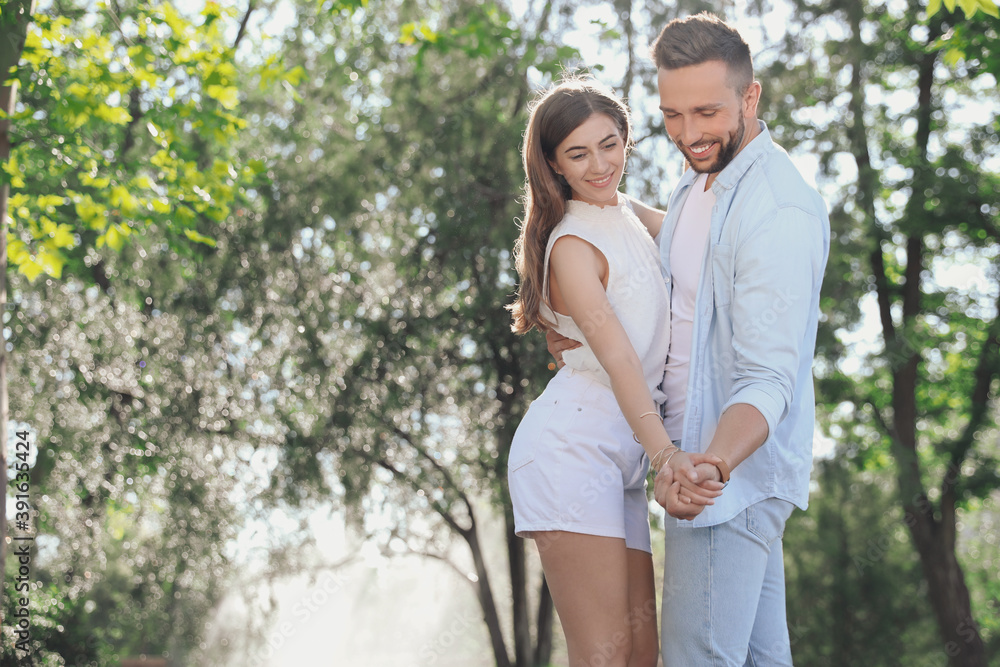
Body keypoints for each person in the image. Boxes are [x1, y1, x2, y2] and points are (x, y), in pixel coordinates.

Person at [547, 12, 830, 666]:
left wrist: (709, 464)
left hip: (721, 474)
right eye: (672, 115)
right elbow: (652, 246)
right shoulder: (701, 181)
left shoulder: (776, 207)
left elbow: (770, 376)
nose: (689, 133)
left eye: (706, 111)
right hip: (714, 473)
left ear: (749, 97)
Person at [506, 76, 724, 667]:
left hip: (620, 456)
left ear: (626, 136)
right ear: (553, 164)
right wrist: (667, 456)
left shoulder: (628, 214)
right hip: (570, 449)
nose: (600, 164)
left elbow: (705, 231)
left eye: (610, 143)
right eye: (578, 153)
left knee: (640, 654)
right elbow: (622, 359)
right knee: (604, 654)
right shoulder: (572, 245)